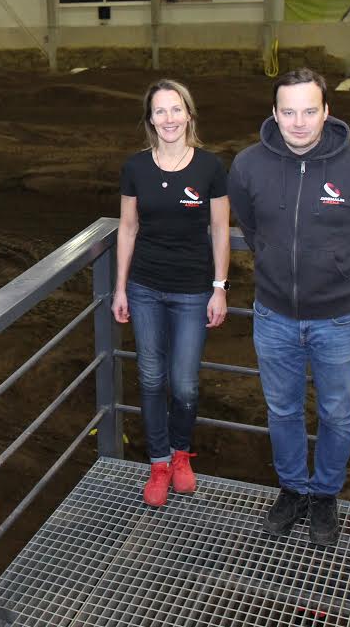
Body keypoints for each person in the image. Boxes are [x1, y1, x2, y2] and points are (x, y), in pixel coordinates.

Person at [228, 68, 350, 546]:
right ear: (274, 114)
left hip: (338, 319)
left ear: (326, 111)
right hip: (273, 315)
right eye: (288, 112)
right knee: (281, 409)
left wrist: (344, 275)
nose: (299, 122)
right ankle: (292, 489)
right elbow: (250, 223)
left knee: (337, 411)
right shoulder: (248, 165)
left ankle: (324, 495)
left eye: (309, 110)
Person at [113, 79, 230, 507]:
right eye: (159, 111)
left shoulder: (211, 167)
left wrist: (219, 288)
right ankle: (159, 462)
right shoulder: (135, 167)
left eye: (175, 110)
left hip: (193, 291)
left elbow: (220, 230)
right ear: (150, 120)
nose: (168, 119)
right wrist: (120, 288)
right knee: (149, 376)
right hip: (144, 287)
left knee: (183, 383)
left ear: (189, 115)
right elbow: (128, 228)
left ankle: (182, 454)